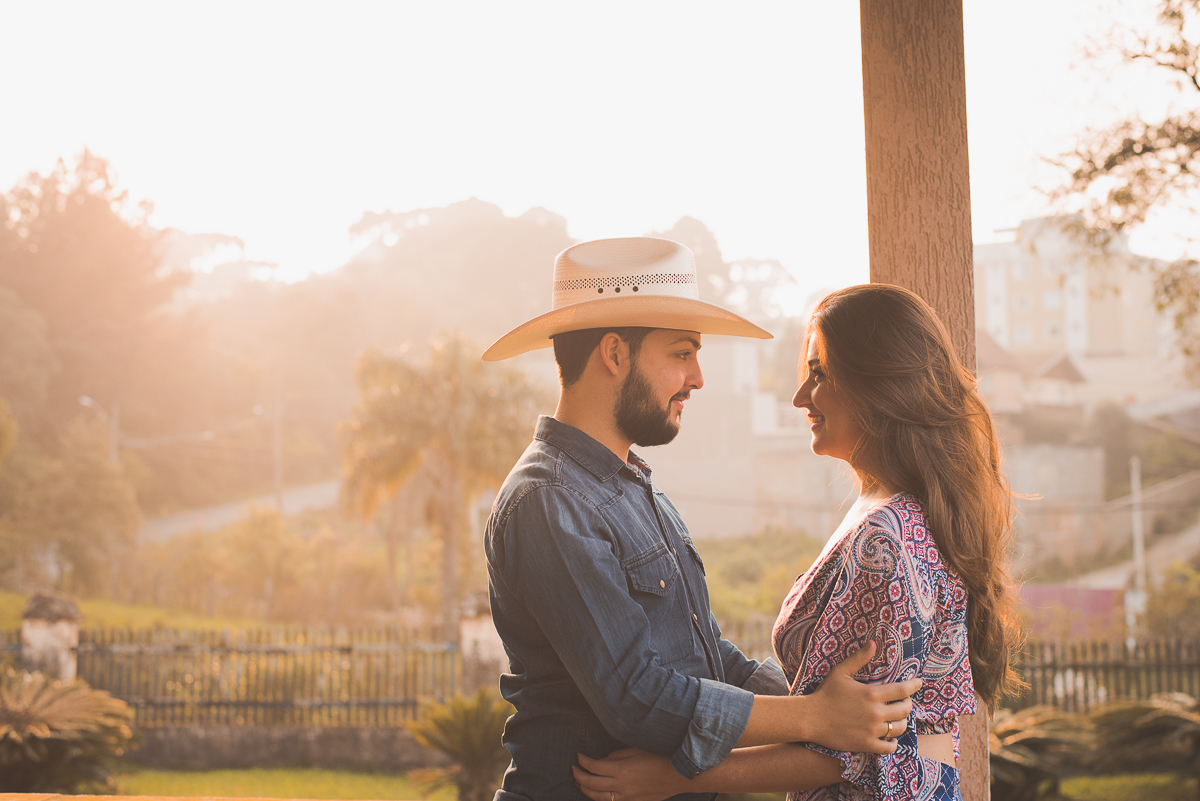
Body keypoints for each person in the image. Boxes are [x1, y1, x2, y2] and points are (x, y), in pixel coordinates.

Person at [482, 241, 922, 801]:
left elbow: (708, 659)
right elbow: (636, 696)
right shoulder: (548, 500)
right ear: (615, 354)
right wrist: (813, 718)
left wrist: (838, 706)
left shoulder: (634, 488)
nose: (697, 378)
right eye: (682, 354)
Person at [573, 284, 1023, 801]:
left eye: (820, 374)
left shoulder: (887, 539)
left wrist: (674, 776)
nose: (799, 397)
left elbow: (854, 749)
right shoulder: (894, 515)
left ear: (879, 384)